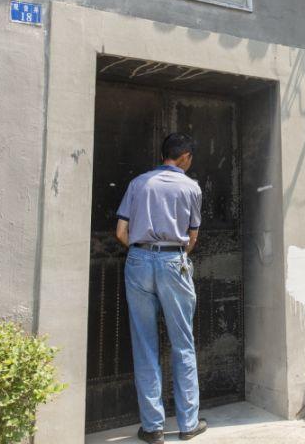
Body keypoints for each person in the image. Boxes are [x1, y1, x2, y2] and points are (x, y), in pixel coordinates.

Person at [115, 132, 208, 442]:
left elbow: (121, 232)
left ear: (164, 155)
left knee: (144, 343)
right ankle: (188, 424)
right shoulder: (191, 187)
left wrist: (142, 253)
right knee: (182, 342)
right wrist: (174, 256)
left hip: (138, 260)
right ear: (185, 157)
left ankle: (153, 427)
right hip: (173, 260)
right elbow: (192, 237)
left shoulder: (138, 183)